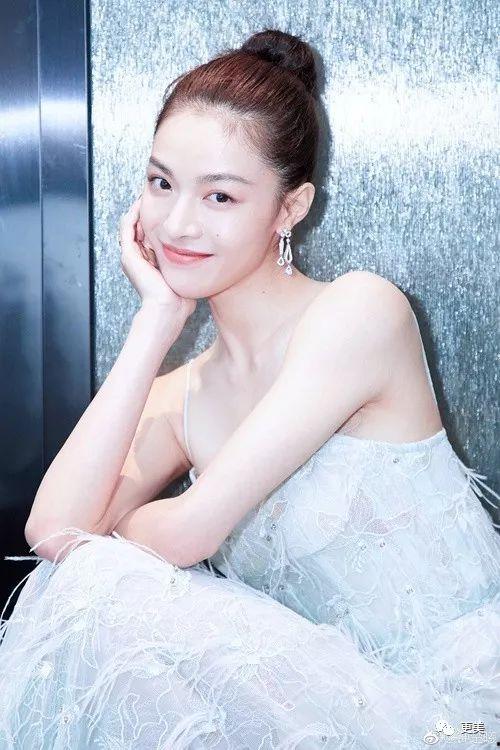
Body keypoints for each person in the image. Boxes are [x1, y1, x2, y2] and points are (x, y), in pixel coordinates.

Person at [0, 28, 499, 750]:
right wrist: (156, 319)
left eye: (220, 196)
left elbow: (187, 532)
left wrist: (114, 540)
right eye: (161, 183)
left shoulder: (360, 312)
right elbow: (54, 532)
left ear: (290, 208)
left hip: (459, 717)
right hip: (343, 713)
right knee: (81, 582)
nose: (177, 224)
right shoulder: (185, 393)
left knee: (103, 578)